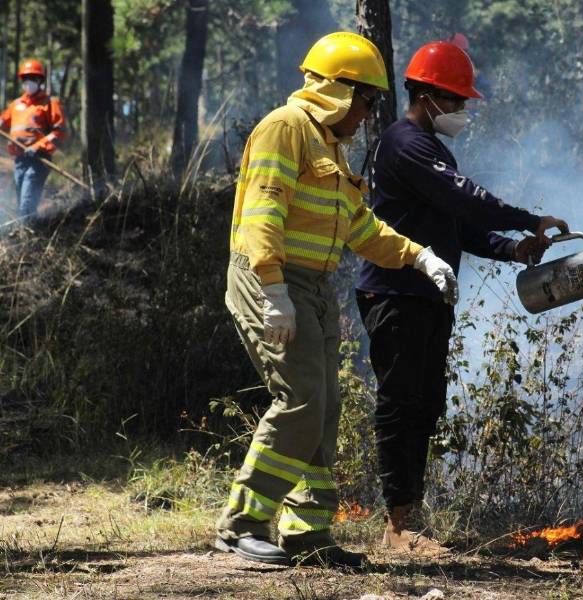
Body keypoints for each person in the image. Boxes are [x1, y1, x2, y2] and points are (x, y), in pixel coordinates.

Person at [214, 32, 458, 569]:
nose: (371, 114)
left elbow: (361, 227)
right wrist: (273, 287)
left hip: (312, 288)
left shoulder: (330, 146)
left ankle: (306, 531)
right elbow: (263, 213)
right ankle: (242, 525)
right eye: (368, 100)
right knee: (299, 399)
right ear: (338, 90)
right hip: (272, 280)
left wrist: (420, 257)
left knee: (324, 407)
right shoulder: (285, 129)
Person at [355, 41, 570, 554]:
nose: (460, 111)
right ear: (426, 96)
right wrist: (527, 217)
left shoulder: (432, 149)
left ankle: (408, 520)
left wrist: (515, 249)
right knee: (400, 404)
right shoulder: (405, 143)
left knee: (425, 404)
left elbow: (458, 226)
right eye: (454, 101)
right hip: (396, 291)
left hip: (429, 295)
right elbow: (465, 199)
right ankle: (399, 526)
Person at [0, 59, 66, 225]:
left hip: (38, 161)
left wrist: (38, 147)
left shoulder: (50, 103)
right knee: (22, 202)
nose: (28, 82)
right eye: (25, 78)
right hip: (20, 160)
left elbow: (59, 132)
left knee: (27, 203)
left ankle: (29, 239)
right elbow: (3, 121)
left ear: (40, 80)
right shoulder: (16, 105)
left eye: (33, 78)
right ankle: (33, 232)